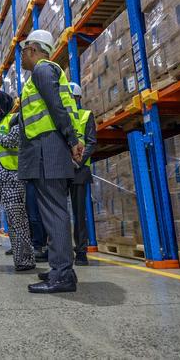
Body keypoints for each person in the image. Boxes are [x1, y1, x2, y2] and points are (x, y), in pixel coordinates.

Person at [17, 29, 84, 294]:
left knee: (54, 212)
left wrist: (72, 139)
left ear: (33, 49)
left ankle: (62, 275)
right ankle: (62, 268)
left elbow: (56, 107)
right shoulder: (46, 72)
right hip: (48, 149)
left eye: (23, 51)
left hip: (48, 150)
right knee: (53, 212)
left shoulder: (42, 70)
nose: (22, 57)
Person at [0, 90, 36, 271]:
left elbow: (13, 141)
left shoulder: (14, 119)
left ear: (3, 102)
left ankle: (24, 259)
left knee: (16, 218)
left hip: (11, 176)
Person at [69, 82, 97, 266]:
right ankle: (61, 250)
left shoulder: (86, 115)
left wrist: (78, 160)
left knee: (79, 213)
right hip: (62, 168)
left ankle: (81, 251)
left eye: (73, 98)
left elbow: (91, 141)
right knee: (59, 212)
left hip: (79, 170)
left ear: (78, 98)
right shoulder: (60, 116)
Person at [26, 182, 48, 262]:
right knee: (32, 215)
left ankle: (41, 246)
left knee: (37, 215)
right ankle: (37, 246)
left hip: (45, 180)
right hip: (29, 179)